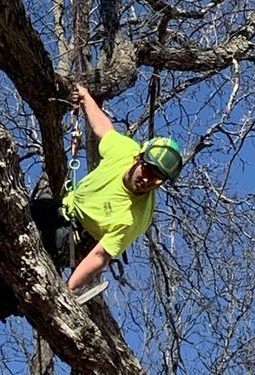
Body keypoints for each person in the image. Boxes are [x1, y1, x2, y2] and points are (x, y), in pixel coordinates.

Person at [62, 84, 183, 292]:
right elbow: (103, 128)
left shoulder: (133, 218)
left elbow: (100, 255)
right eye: (147, 171)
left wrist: (67, 290)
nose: (147, 181)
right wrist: (86, 97)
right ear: (138, 158)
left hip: (83, 240)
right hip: (66, 210)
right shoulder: (125, 149)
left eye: (156, 180)